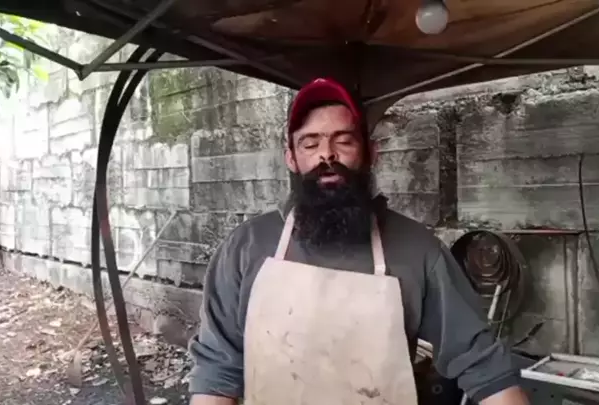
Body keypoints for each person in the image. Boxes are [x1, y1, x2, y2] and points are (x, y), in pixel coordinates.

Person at [187, 78, 530, 405]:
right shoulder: (246, 248)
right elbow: (217, 372)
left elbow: (484, 366)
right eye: (310, 143)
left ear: (370, 153)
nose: (327, 155)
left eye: (344, 141)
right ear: (291, 157)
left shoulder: (417, 250)